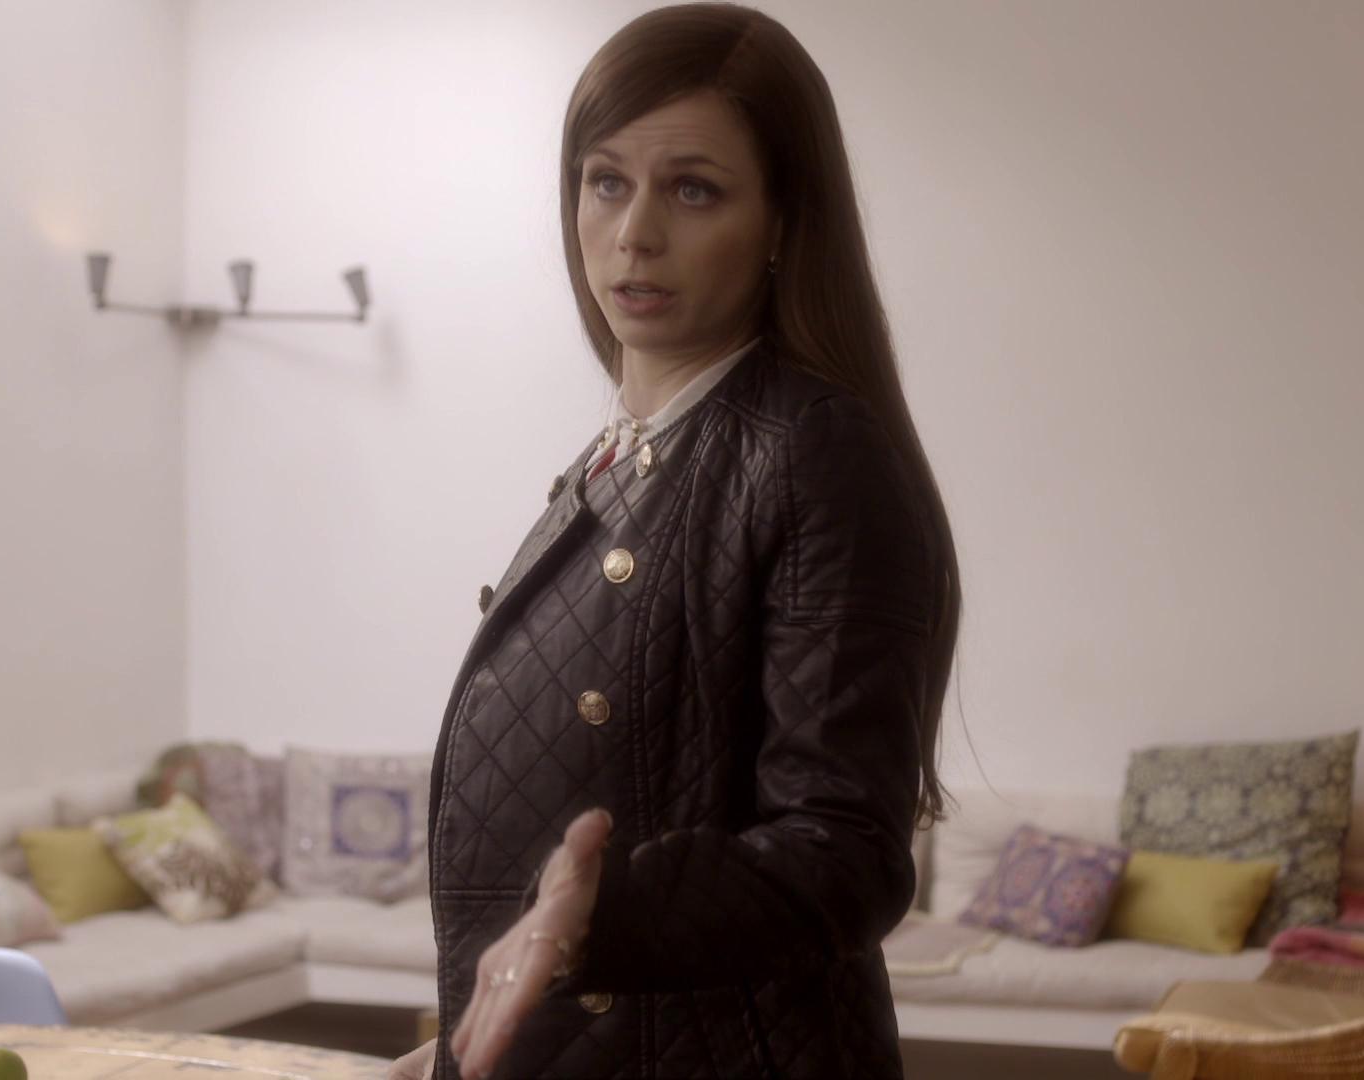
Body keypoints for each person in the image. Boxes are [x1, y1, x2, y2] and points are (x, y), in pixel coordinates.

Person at [389, 4, 962, 1077]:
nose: (634, 233)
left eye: (693, 190)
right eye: (606, 182)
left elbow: (843, 850)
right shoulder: (625, 456)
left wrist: (591, 922)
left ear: (785, 220)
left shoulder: (813, 451)